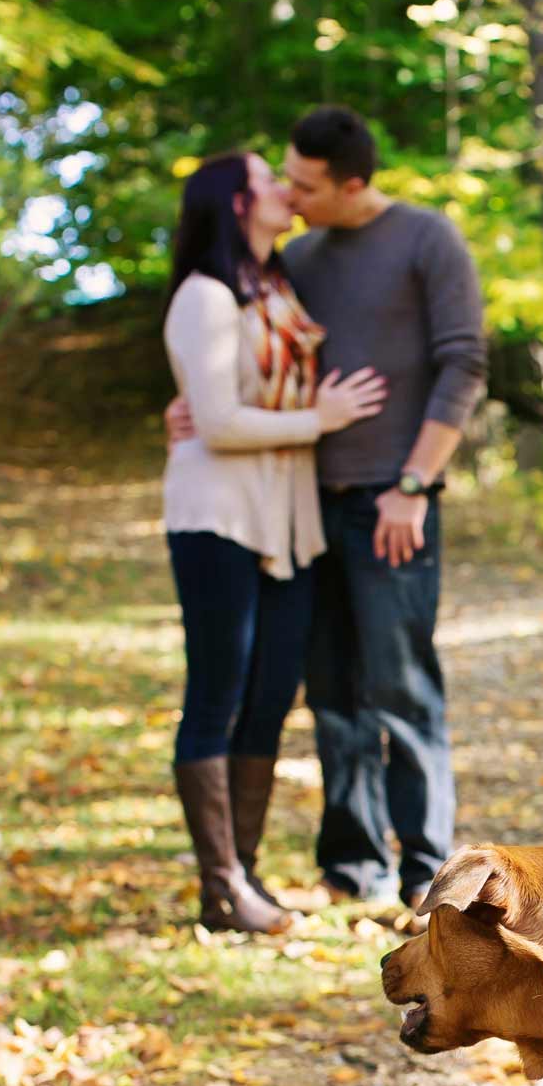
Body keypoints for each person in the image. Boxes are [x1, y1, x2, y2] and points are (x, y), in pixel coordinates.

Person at [163, 151, 386, 934]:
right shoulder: (205, 295)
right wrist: (318, 421)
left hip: (285, 520)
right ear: (234, 203)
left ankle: (243, 875)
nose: (284, 191)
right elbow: (218, 422)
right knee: (217, 693)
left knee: (268, 694)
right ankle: (220, 885)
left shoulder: (277, 288)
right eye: (267, 181)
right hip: (218, 516)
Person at [280, 106, 487, 912]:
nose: (291, 197)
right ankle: (351, 866)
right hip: (307, 503)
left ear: (353, 183)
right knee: (332, 690)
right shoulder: (298, 257)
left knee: (401, 688)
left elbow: (462, 363)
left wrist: (414, 484)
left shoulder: (426, 238)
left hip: (392, 500)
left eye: (306, 186)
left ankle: (427, 871)